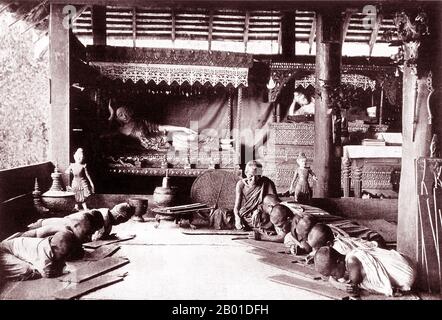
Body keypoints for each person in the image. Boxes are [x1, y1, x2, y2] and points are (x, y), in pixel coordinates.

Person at [314, 246, 416, 296]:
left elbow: (352, 288)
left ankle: (391, 289)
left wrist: (336, 284)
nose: (335, 277)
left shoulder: (352, 261)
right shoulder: (348, 257)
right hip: (407, 261)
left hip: (405, 273)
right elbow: (330, 277)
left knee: (363, 287)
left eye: (334, 274)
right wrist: (332, 279)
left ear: (339, 261)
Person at [107, 101, 197, 151]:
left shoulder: (141, 122)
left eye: (126, 112)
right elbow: (104, 134)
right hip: (161, 146)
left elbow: (161, 127)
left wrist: (183, 128)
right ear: (117, 119)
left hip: (164, 138)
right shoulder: (120, 130)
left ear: (130, 112)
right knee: (193, 143)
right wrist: (111, 115)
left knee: (193, 137)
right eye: (120, 115)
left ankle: (209, 140)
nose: (125, 116)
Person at [0, 230, 82, 282]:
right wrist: (58, 272)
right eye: (63, 255)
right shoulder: (44, 252)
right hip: (3, 251)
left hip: (15, 248)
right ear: (53, 247)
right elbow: (46, 274)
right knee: (27, 271)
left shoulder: (52, 241)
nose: (65, 257)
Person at [27, 202, 135, 242]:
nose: (120, 223)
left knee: (56, 226)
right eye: (123, 221)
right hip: (71, 223)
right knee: (42, 231)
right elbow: (96, 238)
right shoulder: (102, 218)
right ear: (120, 218)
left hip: (72, 223)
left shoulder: (106, 216)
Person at [234, 161, 277, 230]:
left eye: (257, 176)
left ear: (261, 174)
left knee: (266, 217)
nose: (254, 179)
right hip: (247, 213)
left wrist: (259, 209)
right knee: (241, 218)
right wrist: (237, 218)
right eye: (251, 176)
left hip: (262, 211)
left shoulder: (266, 182)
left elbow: (274, 203)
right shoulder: (241, 184)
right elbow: (236, 207)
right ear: (246, 173)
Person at [22, 210, 104, 243]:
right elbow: (79, 239)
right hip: (40, 225)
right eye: (95, 229)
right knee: (22, 236)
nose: (93, 232)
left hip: (46, 224)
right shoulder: (81, 221)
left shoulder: (84, 219)